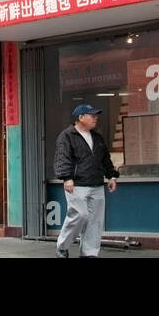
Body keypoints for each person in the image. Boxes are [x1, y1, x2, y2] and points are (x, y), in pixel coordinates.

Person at [52, 103, 118, 258]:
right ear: (80, 117)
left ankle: (89, 253)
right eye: (92, 116)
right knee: (79, 215)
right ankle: (62, 246)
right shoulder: (67, 135)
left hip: (96, 184)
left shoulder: (97, 137)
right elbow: (62, 157)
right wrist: (66, 177)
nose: (96, 119)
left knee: (95, 221)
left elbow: (105, 159)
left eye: (96, 116)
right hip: (77, 184)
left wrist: (111, 176)